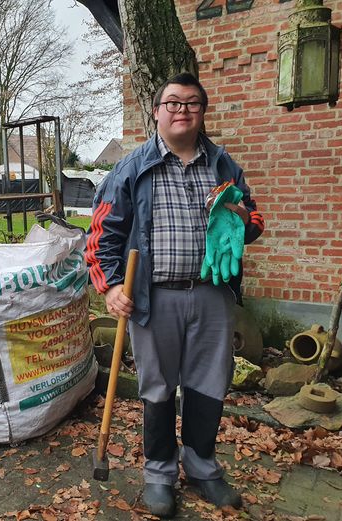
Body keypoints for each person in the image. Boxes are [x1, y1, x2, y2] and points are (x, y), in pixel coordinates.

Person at [86, 72, 264, 518]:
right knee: (159, 389)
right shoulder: (131, 168)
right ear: (157, 111)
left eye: (191, 103)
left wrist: (240, 215)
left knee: (209, 386)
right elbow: (101, 236)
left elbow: (256, 223)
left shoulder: (224, 165)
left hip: (212, 295)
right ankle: (160, 474)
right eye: (172, 103)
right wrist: (108, 289)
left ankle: (202, 467)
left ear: (202, 113)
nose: (181, 110)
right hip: (154, 298)